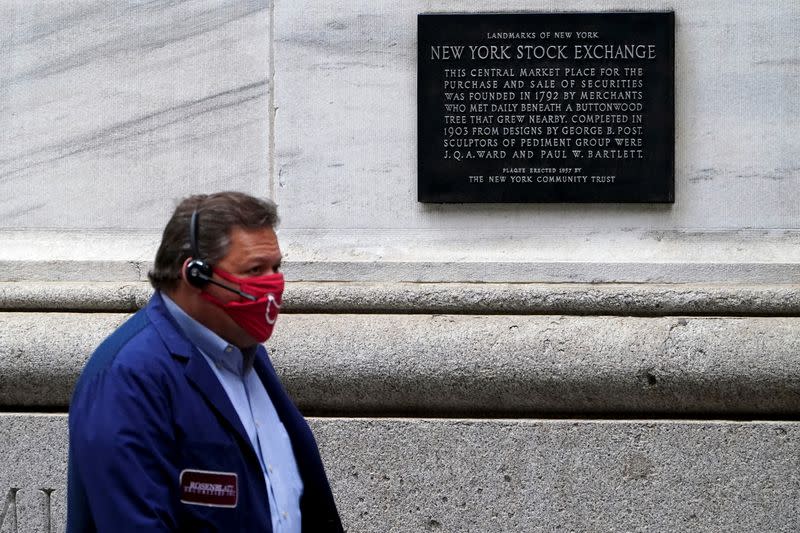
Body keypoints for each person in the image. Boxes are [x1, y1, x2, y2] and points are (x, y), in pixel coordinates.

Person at [67, 192, 343, 532]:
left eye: (276, 268)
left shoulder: (248, 356)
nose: (272, 286)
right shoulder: (128, 377)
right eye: (255, 270)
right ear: (195, 275)